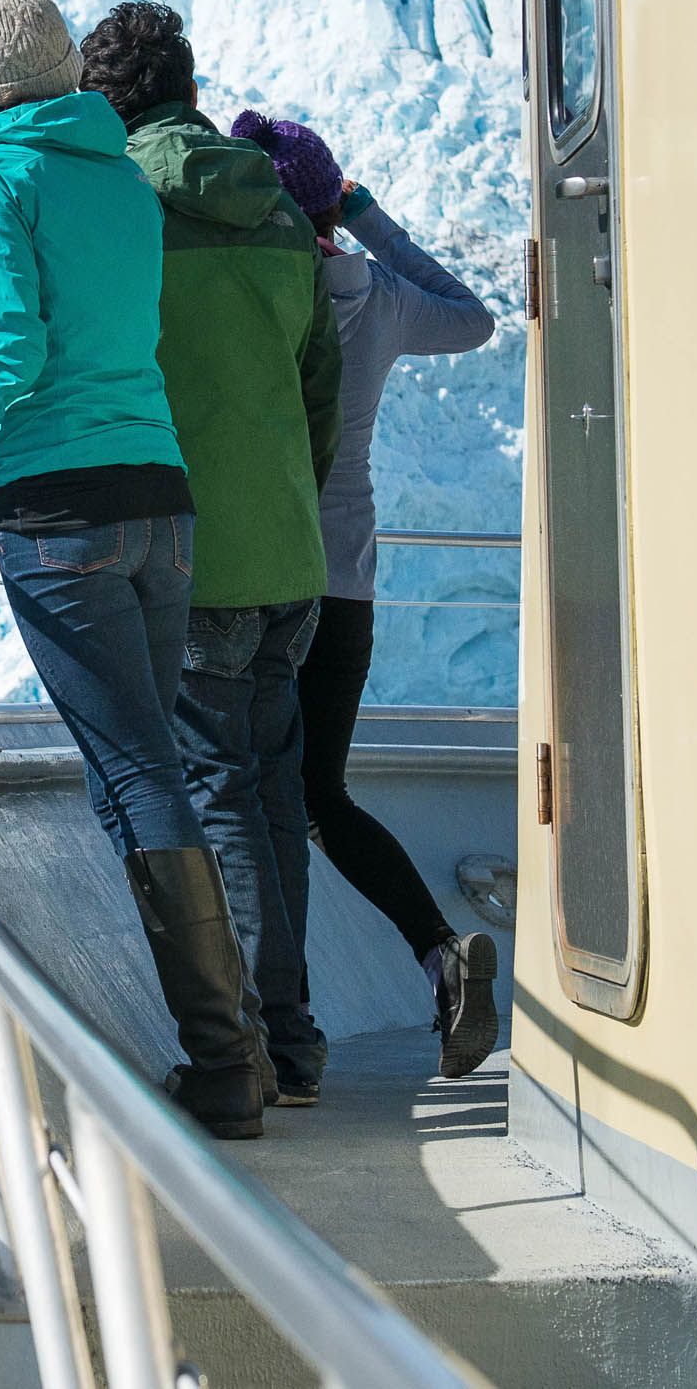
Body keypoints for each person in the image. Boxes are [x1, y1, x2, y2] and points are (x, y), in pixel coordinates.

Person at [0, 0, 270, 1138]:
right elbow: (101, 350)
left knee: (137, 772)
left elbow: (14, 354)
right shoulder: (120, 176)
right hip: (159, 502)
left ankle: (226, 1063)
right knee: (150, 763)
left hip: (62, 519)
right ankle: (245, 1046)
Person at [76, 2, 341, 1107]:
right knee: (272, 791)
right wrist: (288, 503)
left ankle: (253, 1048)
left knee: (218, 793)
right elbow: (314, 383)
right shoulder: (278, 209)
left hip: (195, 557)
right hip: (290, 553)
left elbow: (84, 366)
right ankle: (294, 1036)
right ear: (189, 83)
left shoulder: (120, 204)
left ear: (103, 100)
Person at [233, 110, 503, 1081]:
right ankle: (437, 951)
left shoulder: (255, 288)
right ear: (330, 201)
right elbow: (472, 317)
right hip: (346, 585)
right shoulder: (375, 294)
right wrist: (368, 218)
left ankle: (271, 1020)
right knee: (318, 793)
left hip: (260, 578)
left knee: (253, 793)